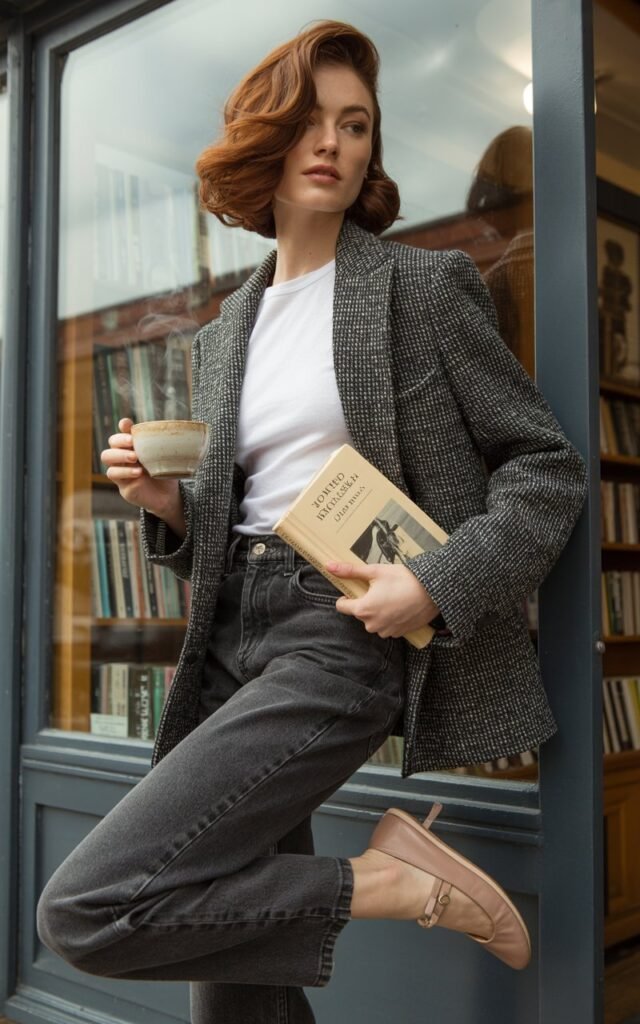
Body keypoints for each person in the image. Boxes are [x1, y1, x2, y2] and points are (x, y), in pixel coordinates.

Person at [37, 20, 588, 1024]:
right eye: (309, 121)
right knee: (239, 997)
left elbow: (545, 467)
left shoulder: (422, 288)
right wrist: (169, 508)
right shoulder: (222, 334)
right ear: (268, 138)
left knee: (90, 904)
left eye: (356, 123)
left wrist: (437, 582)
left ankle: (397, 883)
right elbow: (237, 524)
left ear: (371, 149)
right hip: (227, 638)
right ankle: (381, 885)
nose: (332, 142)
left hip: (334, 633)